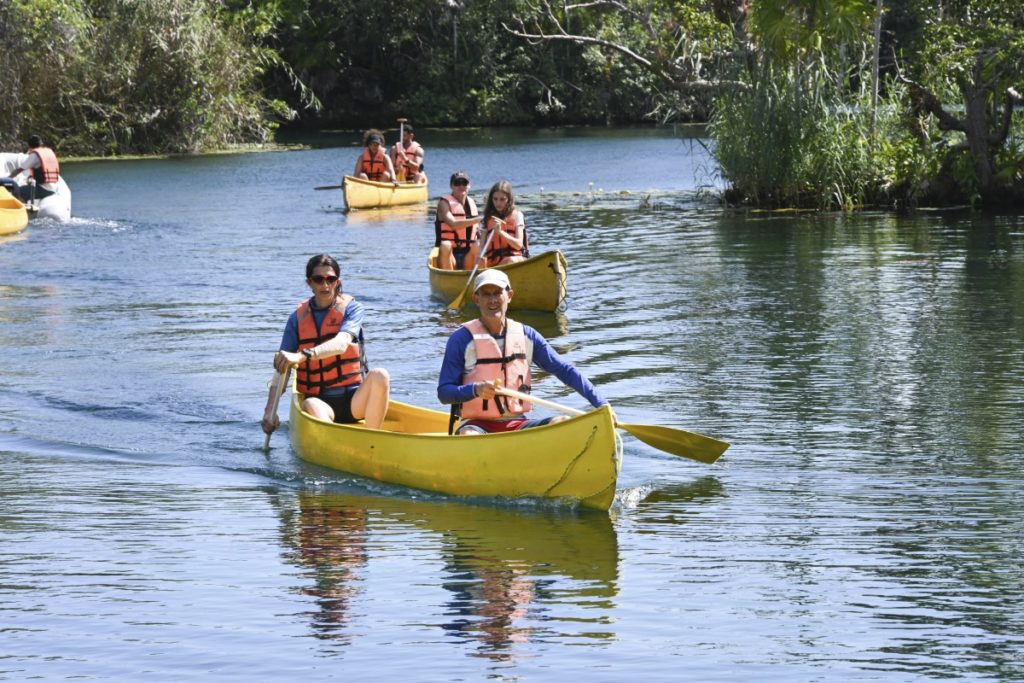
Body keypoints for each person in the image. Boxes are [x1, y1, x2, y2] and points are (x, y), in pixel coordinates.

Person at [437, 269, 611, 435]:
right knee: (468, 434)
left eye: (498, 292)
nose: (492, 300)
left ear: (509, 296)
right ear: (476, 299)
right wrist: (476, 390)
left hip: (517, 423)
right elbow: (444, 393)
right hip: (476, 425)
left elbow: (564, 370)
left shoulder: (527, 336)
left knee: (563, 421)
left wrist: (601, 405)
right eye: (486, 294)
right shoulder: (461, 339)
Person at [261, 254, 390, 434]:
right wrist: (269, 412)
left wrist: (303, 355)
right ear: (310, 283)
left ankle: (373, 441)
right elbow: (282, 368)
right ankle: (335, 442)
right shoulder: (296, 319)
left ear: (337, 282)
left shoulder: (353, 308)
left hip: (354, 400)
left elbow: (341, 343)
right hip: (320, 402)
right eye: (318, 279)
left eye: (330, 279)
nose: (325, 284)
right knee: (309, 403)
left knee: (380, 375)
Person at [435, 171, 481, 270]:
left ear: (469, 186)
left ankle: (477, 276)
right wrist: (478, 219)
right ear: (451, 186)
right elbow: (453, 224)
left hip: (468, 254)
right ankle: (449, 278)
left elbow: (478, 231)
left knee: (479, 244)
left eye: (464, 183)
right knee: (445, 245)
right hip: (450, 254)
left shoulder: (472, 203)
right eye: (457, 183)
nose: (461, 186)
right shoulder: (444, 203)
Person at [478, 180, 528, 267]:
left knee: (511, 260)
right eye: (495, 199)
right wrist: (480, 257)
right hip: (494, 262)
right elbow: (481, 248)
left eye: (502, 199)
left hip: (515, 259)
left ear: (509, 199)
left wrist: (501, 232)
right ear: (491, 199)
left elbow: (519, 245)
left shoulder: (517, 215)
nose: (498, 203)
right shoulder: (486, 218)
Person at [8, 135, 60, 202]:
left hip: (43, 188)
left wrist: (8, 178)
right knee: (27, 187)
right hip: (54, 187)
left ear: (29, 146)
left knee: (15, 191)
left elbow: (20, 169)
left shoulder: (34, 155)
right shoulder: (48, 152)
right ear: (41, 143)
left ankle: (23, 209)